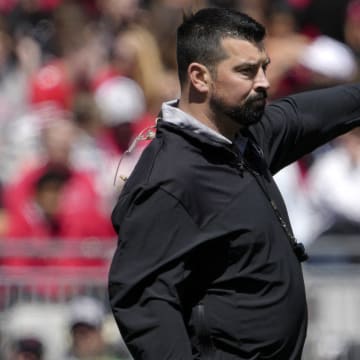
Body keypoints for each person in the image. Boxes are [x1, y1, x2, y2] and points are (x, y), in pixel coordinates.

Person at [108, 7, 360, 360]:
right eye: (246, 71)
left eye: (263, 68)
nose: (264, 82)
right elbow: (142, 302)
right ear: (199, 77)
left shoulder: (243, 138)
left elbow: (309, 115)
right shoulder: (169, 176)